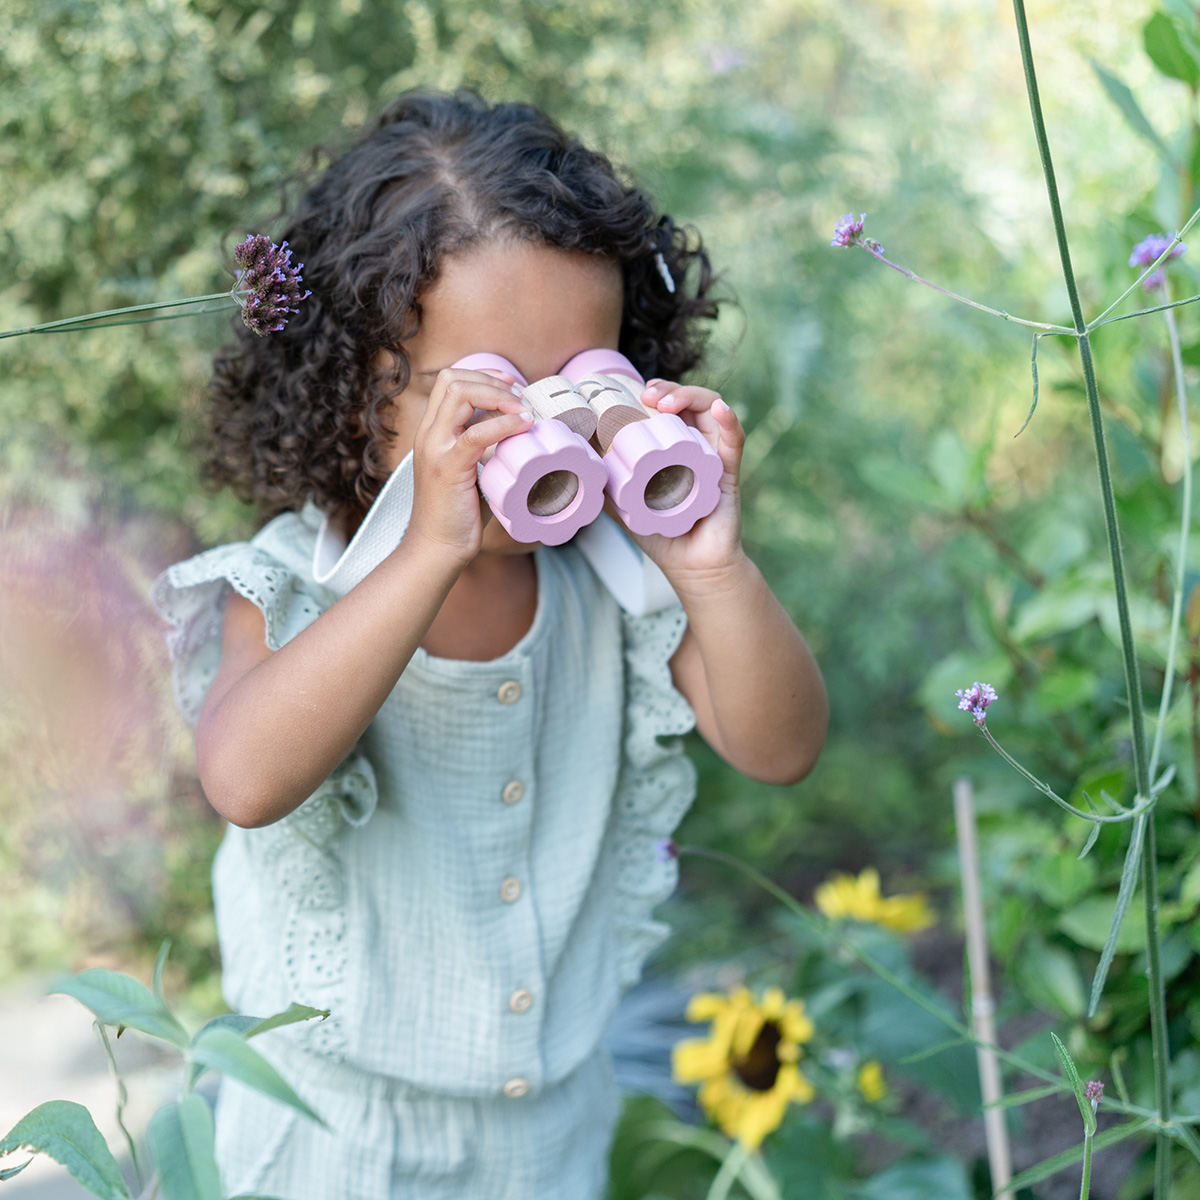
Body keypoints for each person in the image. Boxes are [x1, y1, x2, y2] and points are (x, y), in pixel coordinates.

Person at [153, 90, 828, 1200]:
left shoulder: (617, 580)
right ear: (372, 396)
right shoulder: (289, 586)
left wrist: (710, 568)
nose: (549, 434)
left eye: (586, 385)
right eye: (497, 397)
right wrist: (424, 551)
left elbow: (781, 746)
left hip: (550, 1138)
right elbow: (245, 777)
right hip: (334, 1139)